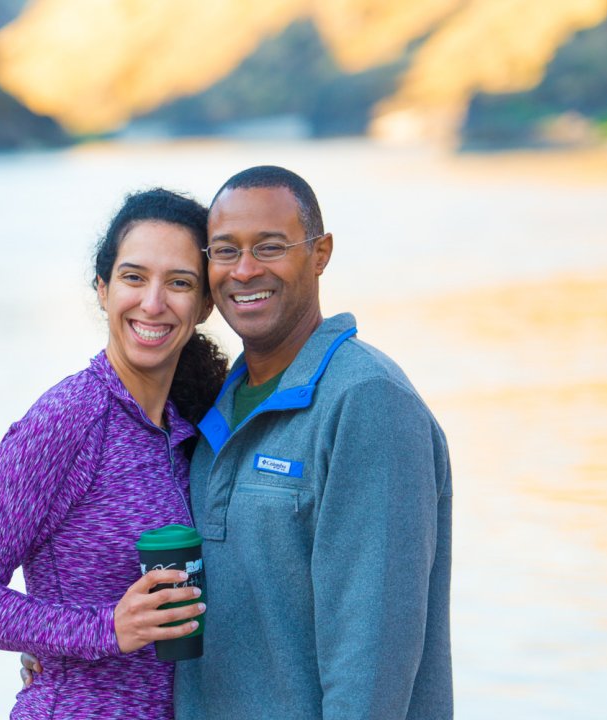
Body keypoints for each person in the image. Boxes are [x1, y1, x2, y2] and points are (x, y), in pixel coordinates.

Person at [0, 188, 229, 718]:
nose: (153, 303)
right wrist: (105, 628)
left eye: (179, 283)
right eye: (134, 277)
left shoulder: (188, 427)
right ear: (102, 288)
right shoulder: (67, 420)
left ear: (205, 303)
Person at [174, 165, 453, 718]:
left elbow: (371, 653)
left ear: (320, 253)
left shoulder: (367, 401)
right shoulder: (214, 410)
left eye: (270, 247)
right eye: (225, 252)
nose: (245, 271)